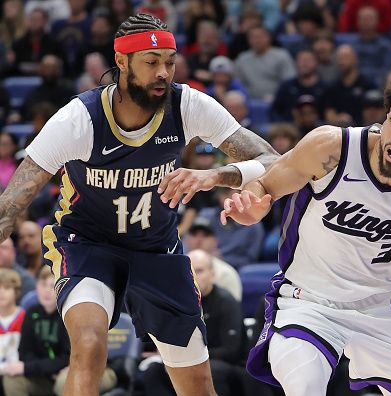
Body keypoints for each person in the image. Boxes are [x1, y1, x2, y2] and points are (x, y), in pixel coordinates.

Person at [0, 13, 278, 396]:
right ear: (121, 62)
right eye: (151, 63)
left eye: (169, 61)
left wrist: (215, 175)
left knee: (197, 386)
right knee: (90, 342)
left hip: (157, 248)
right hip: (87, 244)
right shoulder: (79, 119)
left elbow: (272, 160)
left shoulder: (187, 105)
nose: (163, 72)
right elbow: (11, 204)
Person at [221, 71, 391, 396]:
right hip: (310, 303)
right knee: (303, 386)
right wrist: (254, 204)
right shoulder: (332, 147)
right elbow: (265, 183)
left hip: (383, 309)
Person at [143, 250, 244, 396]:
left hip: (221, 362)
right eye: (189, 271)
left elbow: (231, 350)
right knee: (153, 371)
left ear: (212, 274)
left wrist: (193, 359)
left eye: (200, 271)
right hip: (187, 358)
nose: (194, 276)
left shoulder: (226, 302)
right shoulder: (177, 302)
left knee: (212, 370)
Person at [2, 266, 71, 396]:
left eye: (52, 285)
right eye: (43, 284)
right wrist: (43, 369)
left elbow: (68, 359)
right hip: (45, 375)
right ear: (37, 286)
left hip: (71, 373)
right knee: (12, 378)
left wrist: (32, 367)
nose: (47, 290)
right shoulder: (31, 313)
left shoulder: (68, 316)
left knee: (65, 380)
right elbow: (24, 353)